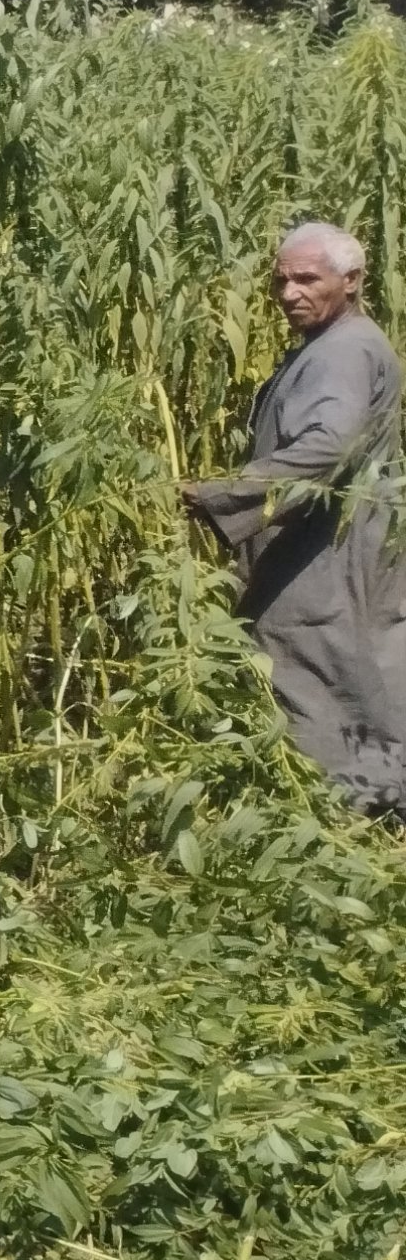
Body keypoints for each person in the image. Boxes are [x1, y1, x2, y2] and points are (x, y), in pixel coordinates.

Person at [190, 221, 406, 816]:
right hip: (341, 541)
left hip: (322, 554)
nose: (289, 294)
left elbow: (328, 445)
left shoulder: (344, 351)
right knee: (362, 671)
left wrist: (221, 495)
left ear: (353, 280)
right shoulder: (342, 343)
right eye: (281, 281)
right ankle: (373, 820)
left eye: (307, 279)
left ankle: (343, 826)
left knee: (315, 674)